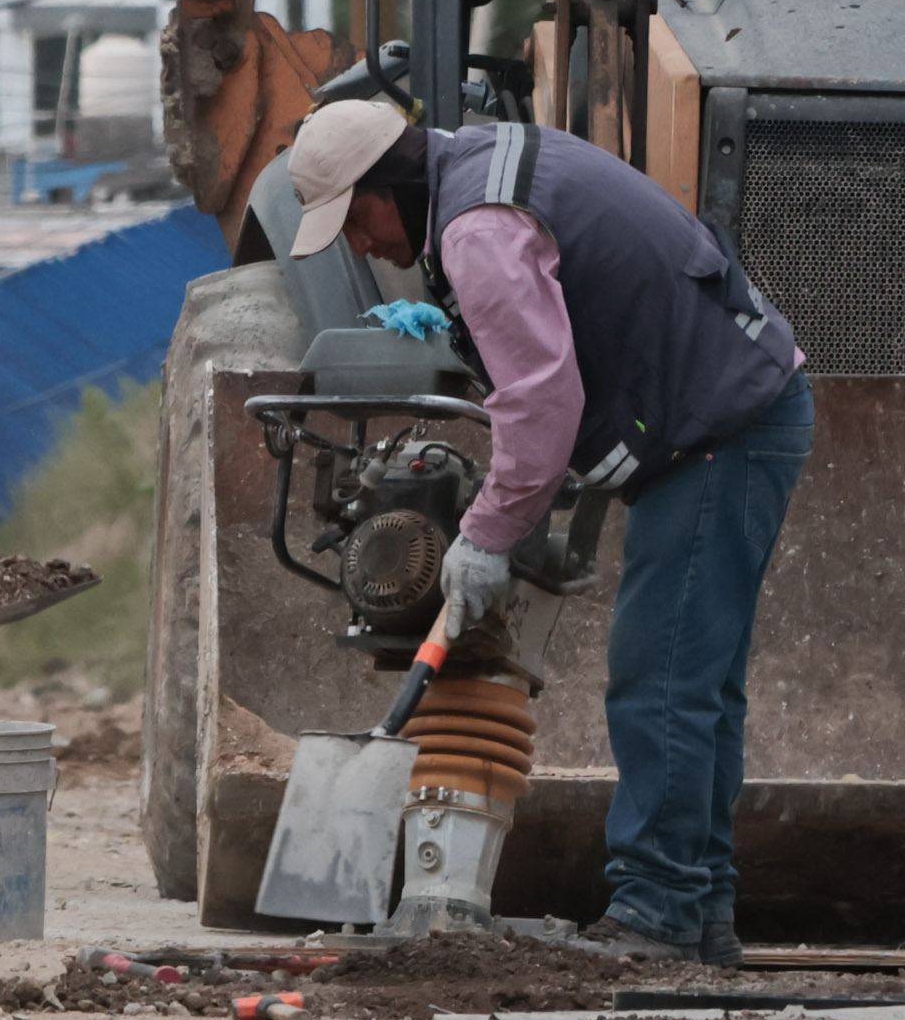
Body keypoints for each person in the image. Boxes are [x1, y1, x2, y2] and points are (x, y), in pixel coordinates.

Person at [285, 99, 809, 964]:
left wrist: (488, 532)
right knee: (699, 683)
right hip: (737, 411)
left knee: (662, 676)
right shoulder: (482, 166)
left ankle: (662, 912)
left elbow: (541, 399)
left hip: (722, 427)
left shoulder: (476, 230)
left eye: (355, 220)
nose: (362, 245)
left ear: (389, 186)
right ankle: (699, 910)